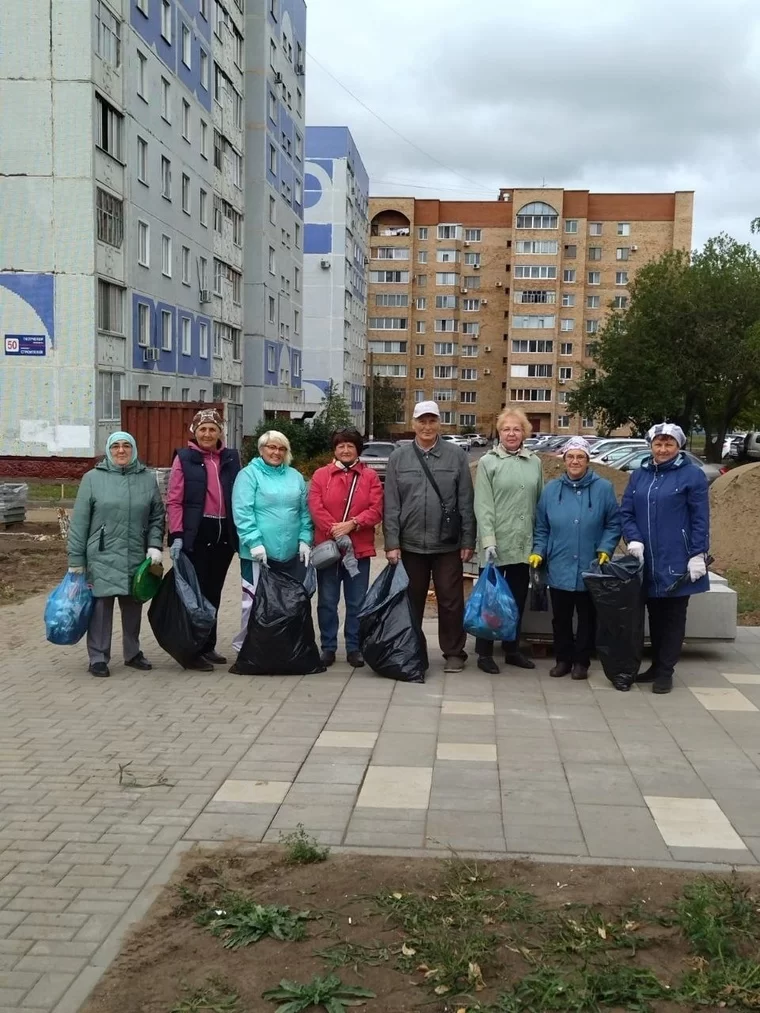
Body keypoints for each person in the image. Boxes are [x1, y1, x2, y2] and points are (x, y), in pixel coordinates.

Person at [383, 401, 475, 672]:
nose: (426, 426)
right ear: (413, 423)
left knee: (451, 600)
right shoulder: (398, 458)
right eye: (421, 421)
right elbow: (391, 504)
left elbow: (466, 500)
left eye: (432, 420)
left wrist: (468, 539)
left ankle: (454, 652)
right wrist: (391, 542)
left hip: (447, 543)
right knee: (411, 601)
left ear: (439, 423)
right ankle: (413, 650)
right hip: (410, 544)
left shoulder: (456, 455)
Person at [621, 423, 710, 694]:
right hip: (647, 558)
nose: (662, 449)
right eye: (658, 444)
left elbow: (700, 519)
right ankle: (656, 665)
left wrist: (697, 554)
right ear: (651, 445)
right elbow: (626, 512)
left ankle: (666, 672)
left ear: (678, 446)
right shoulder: (639, 475)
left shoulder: (691, 475)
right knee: (654, 615)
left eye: (668, 444)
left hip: (677, 558)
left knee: (673, 617)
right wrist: (633, 538)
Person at [67, 432, 165, 678]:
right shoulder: (92, 479)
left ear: (133, 449)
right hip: (102, 554)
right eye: (116, 447)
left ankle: (132, 654)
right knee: (101, 607)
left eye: (126, 446)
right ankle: (98, 657)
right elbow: (79, 523)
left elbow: (156, 516)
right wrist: (76, 561)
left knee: (133, 605)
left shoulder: (146, 479)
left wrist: (154, 545)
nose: (121, 451)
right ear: (108, 451)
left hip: (135, 554)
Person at [530, 437, 621, 680]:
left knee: (587, 617)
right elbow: (542, 527)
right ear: (564, 460)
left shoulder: (603, 488)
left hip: (590, 565)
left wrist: (606, 548)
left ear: (588, 460)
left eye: (580, 457)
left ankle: (581, 662)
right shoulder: (551, 490)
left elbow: (613, 523)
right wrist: (539, 550)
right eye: (570, 456)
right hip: (559, 565)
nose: (575, 461)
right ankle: (563, 659)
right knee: (560, 617)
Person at [166, 408, 241, 671]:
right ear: (194, 432)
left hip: (224, 535)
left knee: (214, 593)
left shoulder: (231, 458)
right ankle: (191, 650)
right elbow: (174, 500)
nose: (207, 434)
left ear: (220, 431)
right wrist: (176, 535)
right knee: (194, 596)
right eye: (202, 429)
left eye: (212, 429)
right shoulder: (184, 458)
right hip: (196, 534)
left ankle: (208, 646)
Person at [474, 409, 543, 673]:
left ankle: (512, 648)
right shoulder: (488, 462)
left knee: (515, 598)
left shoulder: (534, 462)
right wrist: (489, 539)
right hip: (496, 543)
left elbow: (539, 501)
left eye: (516, 429)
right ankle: (484, 652)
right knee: (490, 600)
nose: (511, 434)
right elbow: (483, 504)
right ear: (499, 433)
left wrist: (538, 542)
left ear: (524, 432)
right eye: (506, 429)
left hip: (522, 541)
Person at [308, 427, 383, 668]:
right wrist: (335, 529)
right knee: (327, 601)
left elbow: (376, 509)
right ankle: (328, 647)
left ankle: (354, 647)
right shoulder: (321, 475)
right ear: (335, 449)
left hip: (358, 551)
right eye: (341, 446)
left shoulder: (369, 477)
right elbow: (315, 506)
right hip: (328, 551)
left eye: (350, 445)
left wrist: (353, 524)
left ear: (357, 449)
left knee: (356, 602)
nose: (346, 449)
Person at [231, 430, 312, 654]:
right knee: (254, 602)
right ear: (261, 449)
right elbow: (242, 511)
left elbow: (305, 512)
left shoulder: (295, 476)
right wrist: (254, 542)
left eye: (281, 448)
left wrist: (305, 539)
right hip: (258, 554)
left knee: (288, 603)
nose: (276, 452)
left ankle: (283, 646)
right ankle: (248, 647)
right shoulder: (249, 475)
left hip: (290, 553)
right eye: (271, 447)